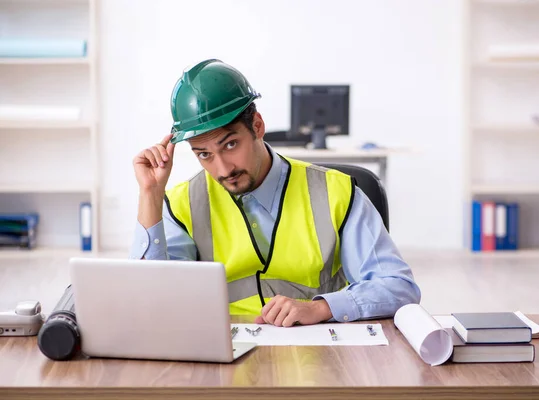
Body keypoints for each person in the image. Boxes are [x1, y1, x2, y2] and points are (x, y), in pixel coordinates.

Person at [131, 59, 420, 327]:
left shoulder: (336, 191)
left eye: (230, 145)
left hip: (318, 350)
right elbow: (150, 301)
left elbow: (399, 286)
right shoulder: (183, 204)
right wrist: (151, 195)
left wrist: (322, 308)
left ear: (257, 126)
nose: (222, 169)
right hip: (222, 353)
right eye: (204, 154)